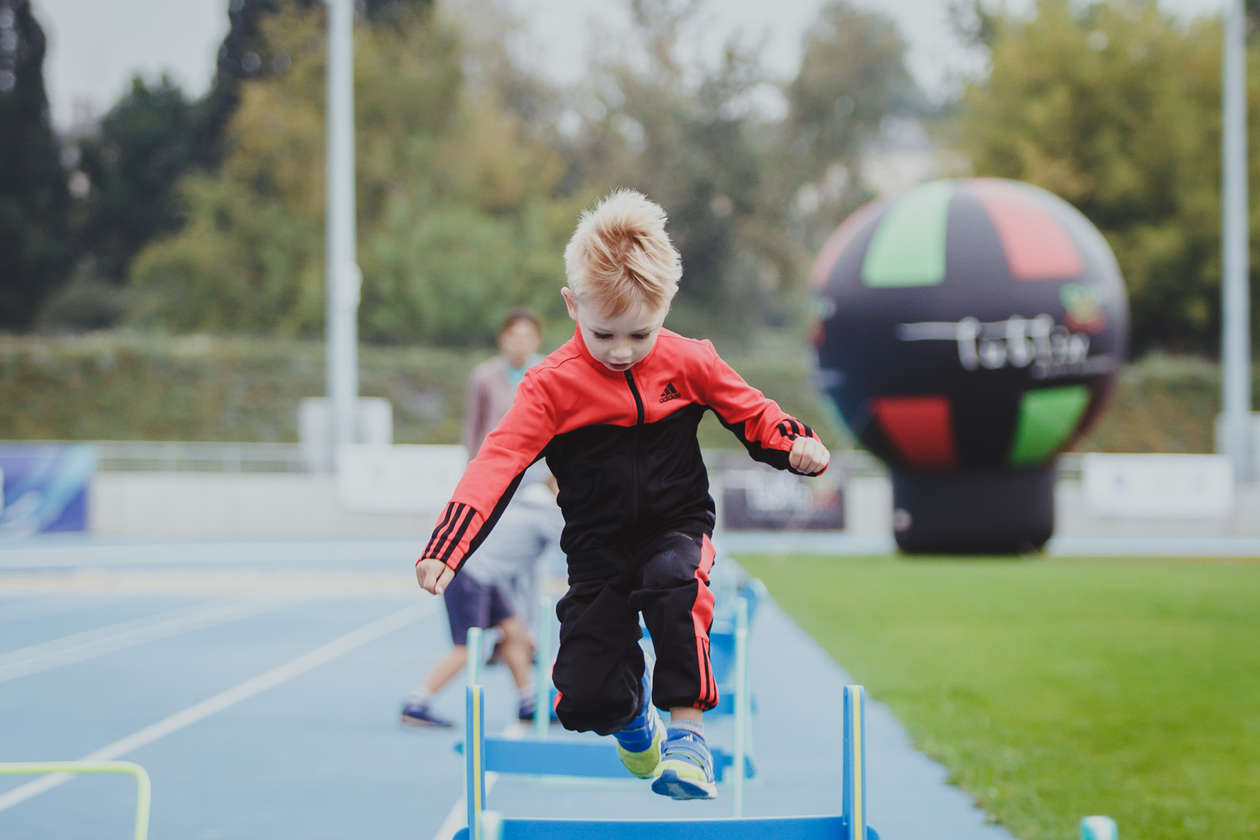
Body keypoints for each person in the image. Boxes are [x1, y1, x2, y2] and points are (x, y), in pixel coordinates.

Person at [415, 188, 830, 800]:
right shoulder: (549, 386)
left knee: (675, 580)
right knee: (583, 695)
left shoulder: (690, 361)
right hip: (597, 549)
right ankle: (636, 720)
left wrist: (796, 443)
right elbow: (496, 463)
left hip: (676, 524)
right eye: (603, 333)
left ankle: (689, 737)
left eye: (640, 333)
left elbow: (753, 412)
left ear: (666, 305)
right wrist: (447, 545)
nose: (621, 352)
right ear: (572, 304)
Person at [401, 467, 562, 727]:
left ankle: (528, 702)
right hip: (469, 574)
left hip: (485, 575)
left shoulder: (529, 504)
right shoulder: (547, 514)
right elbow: (573, 546)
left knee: (514, 631)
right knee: (467, 649)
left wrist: (528, 628)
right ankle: (416, 703)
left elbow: (523, 574)